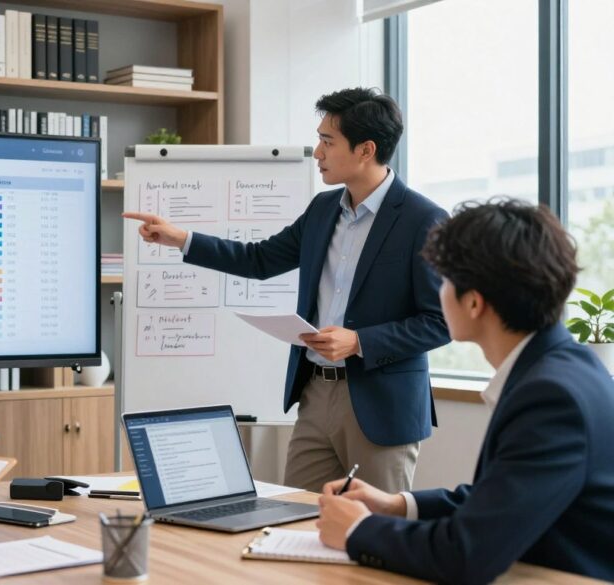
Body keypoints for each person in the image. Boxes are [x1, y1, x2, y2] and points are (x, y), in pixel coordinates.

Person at [124, 88, 450, 492]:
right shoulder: (322, 209)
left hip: (381, 405)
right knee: (294, 519)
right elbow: (258, 260)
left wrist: (358, 341)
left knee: (375, 533)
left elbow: (440, 322)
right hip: (315, 393)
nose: (317, 152)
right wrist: (182, 239)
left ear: (366, 149)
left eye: (328, 142)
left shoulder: (424, 219)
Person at [317, 199, 614, 583]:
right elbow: (501, 500)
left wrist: (358, 531)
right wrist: (396, 505)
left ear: (474, 302)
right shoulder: (566, 368)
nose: (436, 293)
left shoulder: (550, 397)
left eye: (443, 281)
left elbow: (467, 553)